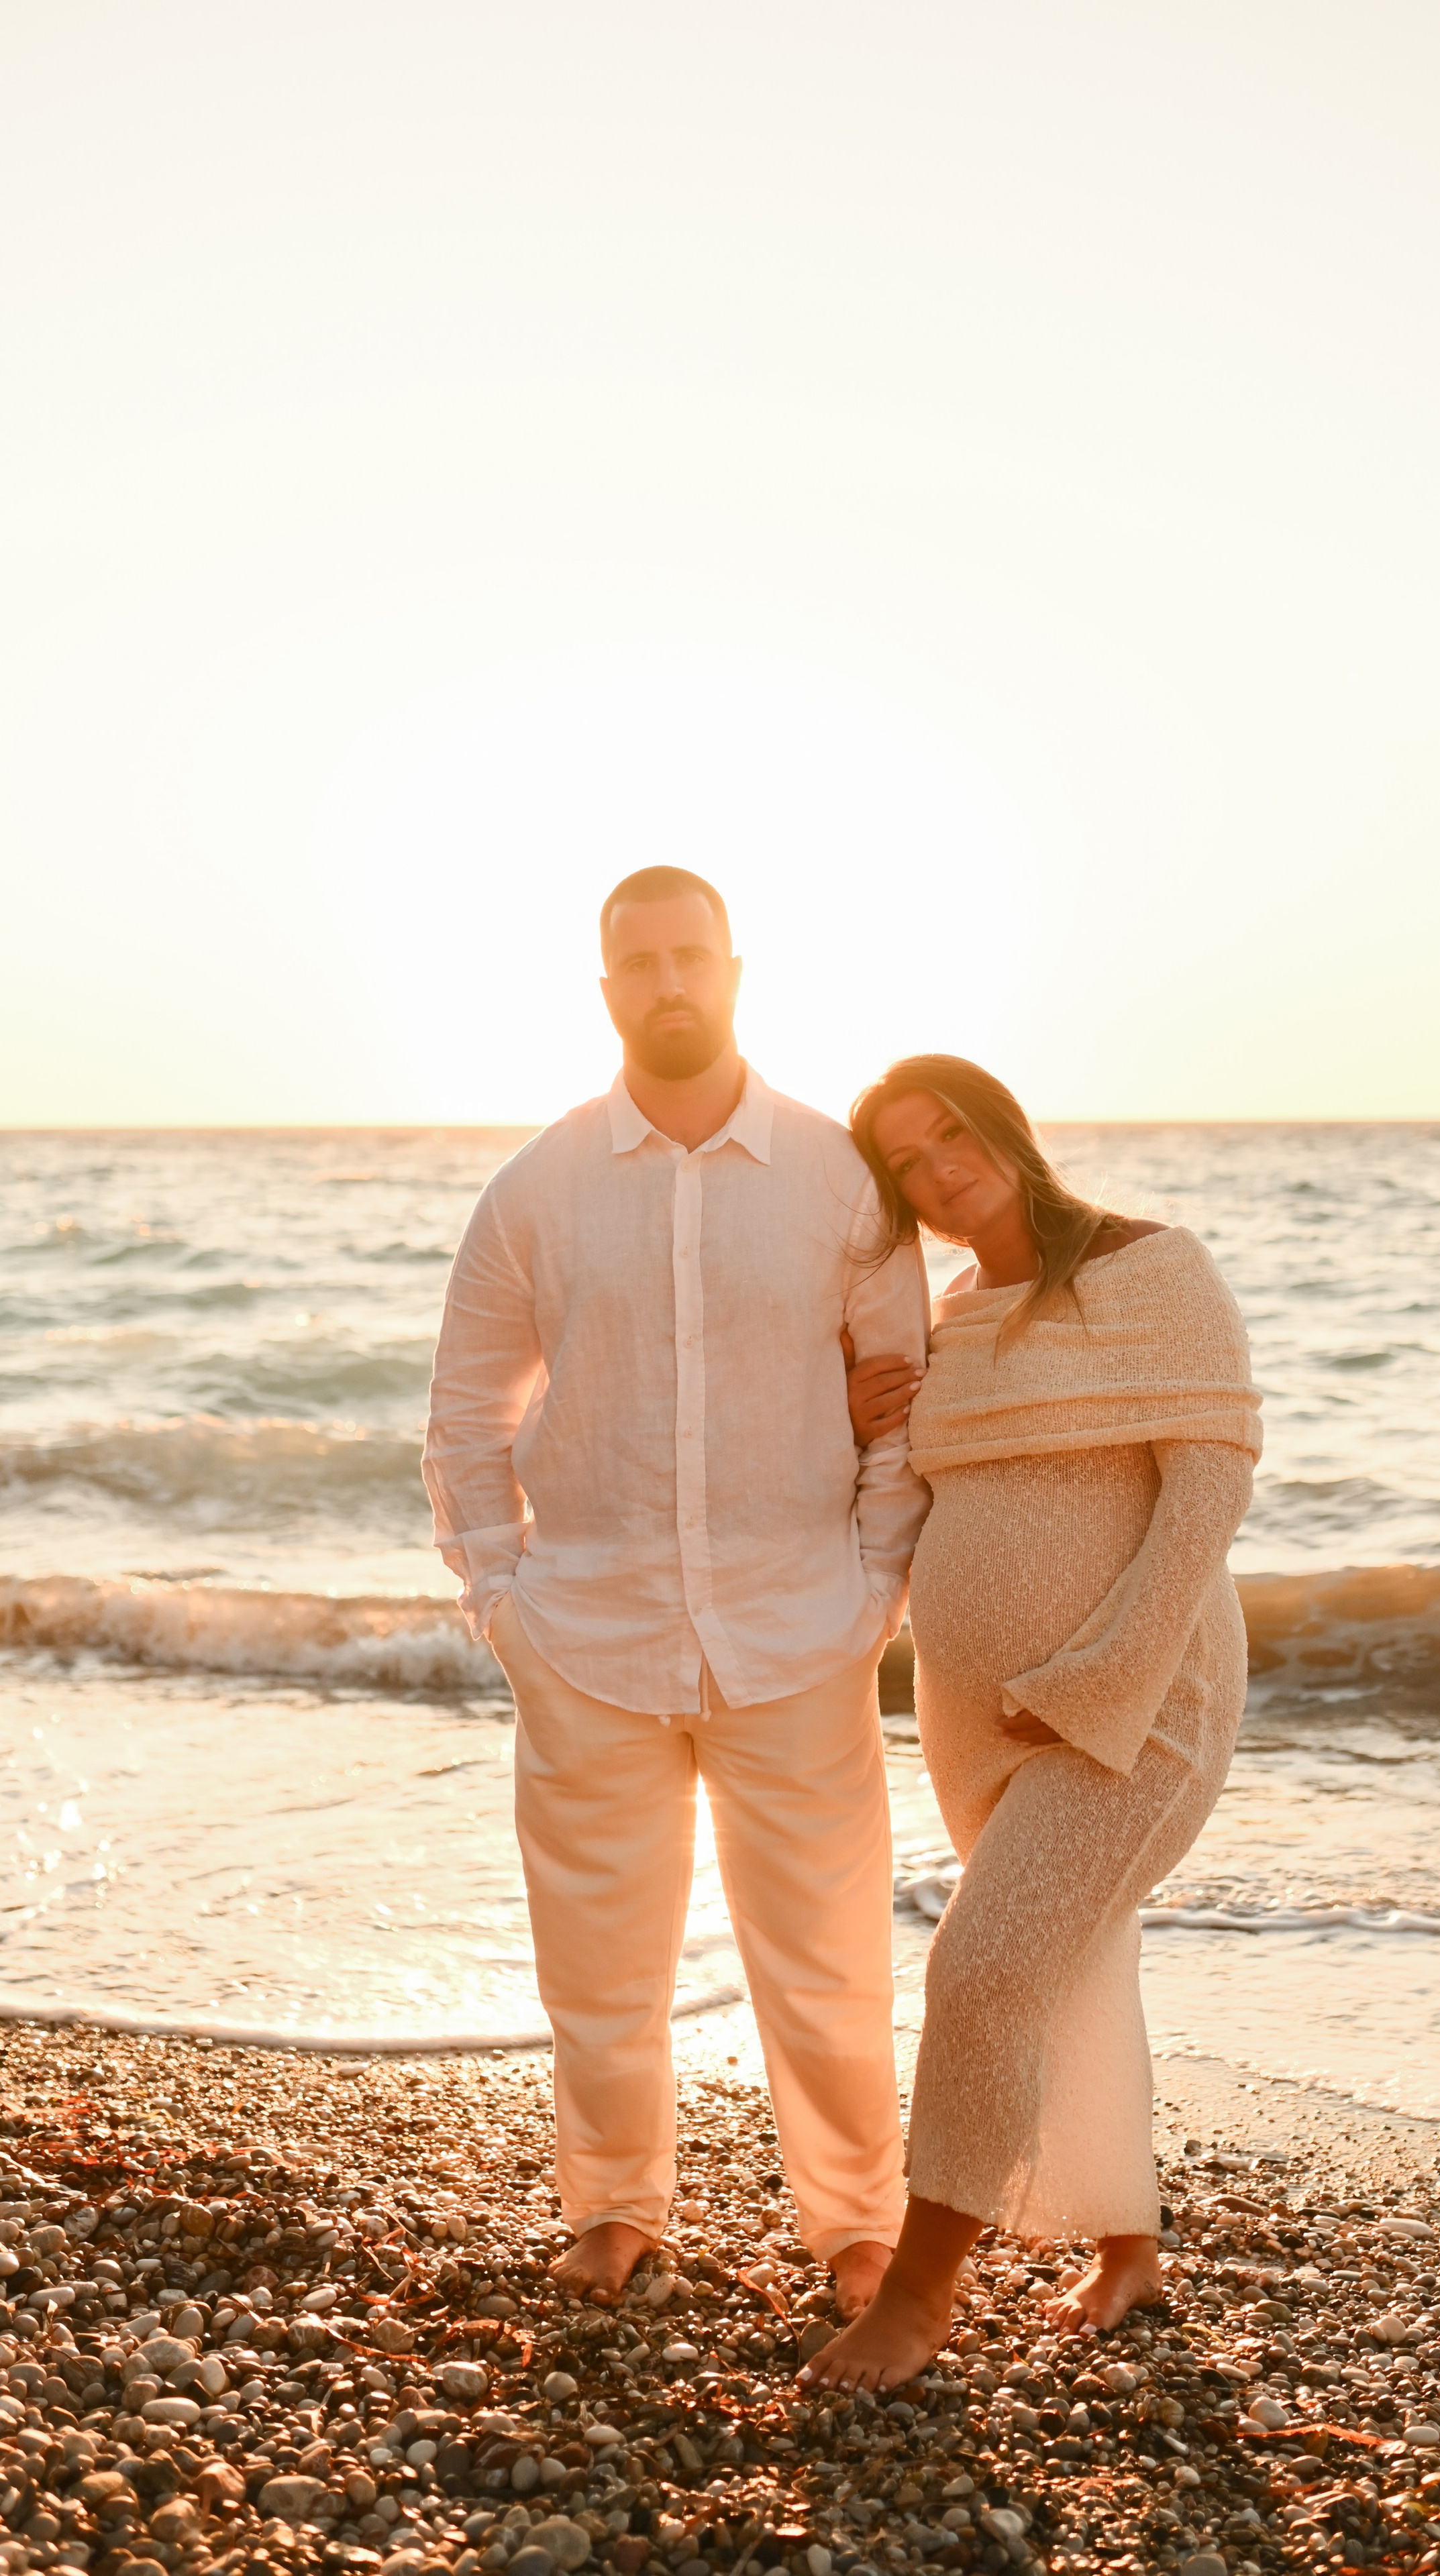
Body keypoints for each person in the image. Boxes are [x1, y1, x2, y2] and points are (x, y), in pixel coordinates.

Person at [422, 869, 930, 2314]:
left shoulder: (842, 1180)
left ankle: (855, 2227)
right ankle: (613, 2209)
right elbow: (463, 1418)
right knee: (596, 1956)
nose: (665, 982)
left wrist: (870, 1585)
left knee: (827, 1957)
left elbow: (899, 1408)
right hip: (587, 1631)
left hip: (799, 1627)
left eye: (687, 956)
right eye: (636, 961)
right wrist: (502, 1598)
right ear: (603, 990)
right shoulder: (536, 1191)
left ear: (733, 971)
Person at [805, 1055, 1261, 2390]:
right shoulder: (953, 1310)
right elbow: (913, 1490)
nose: (938, 1167)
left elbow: (1204, 1498)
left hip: (1137, 1699)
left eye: (951, 1133)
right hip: (976, 1715)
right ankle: (1128, 2246)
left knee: (984, 1969)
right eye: (905, 1159)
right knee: (1068, 1955)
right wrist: (847, 1417)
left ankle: (916, 2295)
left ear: (1000, 1128)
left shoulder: (1152, 1266)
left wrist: (1098, 1680)